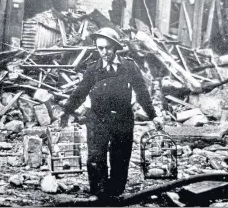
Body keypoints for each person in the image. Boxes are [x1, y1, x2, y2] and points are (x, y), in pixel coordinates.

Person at [60, 27, 162, 200]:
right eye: (100, 48)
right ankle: (98, 192)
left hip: (123, 118)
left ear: (115, 47)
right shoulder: (92, 69)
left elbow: (142, 92)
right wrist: (66, 111)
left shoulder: (129, 66)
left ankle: (115, 192)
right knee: (95, 156)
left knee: (120, 156)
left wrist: (153, 115)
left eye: (107, 48)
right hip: (97, 118)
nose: (104, 52)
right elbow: (80, 92)